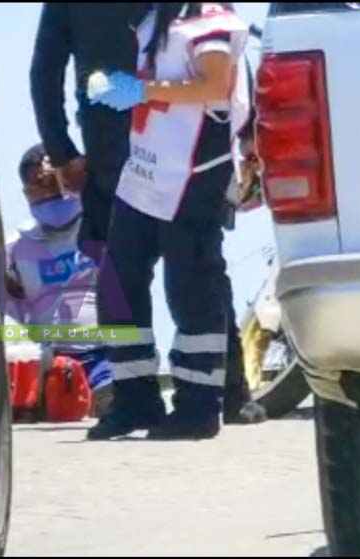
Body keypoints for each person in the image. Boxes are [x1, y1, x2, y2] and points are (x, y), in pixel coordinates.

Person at [85, 3, 250, 440]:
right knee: (117, 282)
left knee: (191, 285)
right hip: (144, 171)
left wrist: (143, 91)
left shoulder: (210, 16)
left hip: (194, 172)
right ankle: (135, 400)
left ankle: (198, 406)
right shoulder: (154, 16)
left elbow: (216, 84)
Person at [29, 3, 150, 256]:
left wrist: (62, 153)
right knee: (194, 267)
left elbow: (45, 73)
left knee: (117, 271)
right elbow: (218, 39)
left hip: (111, 145)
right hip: (182, 134)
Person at [4, 145, 114, 416]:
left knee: (113, 396)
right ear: (26, 194)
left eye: (55, 182)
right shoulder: (15, 246)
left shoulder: (105, 228)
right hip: (46, 358)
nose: (49, 193)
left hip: (103, 354)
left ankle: (106, 396)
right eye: (38, 186)